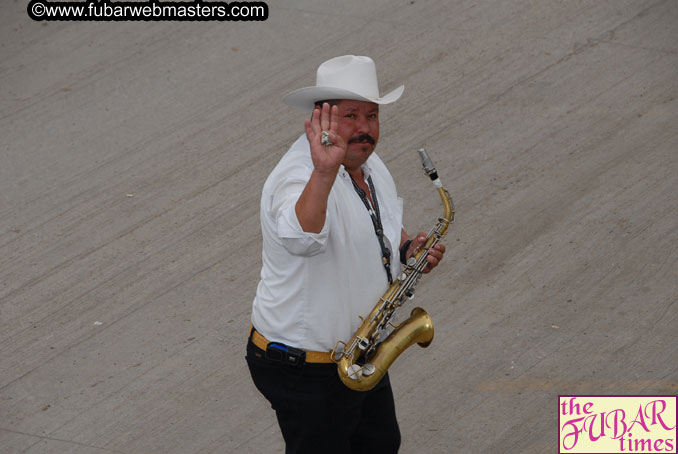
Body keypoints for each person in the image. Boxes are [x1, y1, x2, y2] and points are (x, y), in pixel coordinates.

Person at [246, 55, 445, 454]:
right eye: (350, 116)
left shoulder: (369, 164)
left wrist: (407, 247)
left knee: (381, 443)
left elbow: (380, 222)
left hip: (357, 351)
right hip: (305, 368)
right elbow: (301, 237)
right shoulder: (300, 174)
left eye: (371, 116)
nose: (364, 129)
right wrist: (323, 173)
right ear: (322, 118)